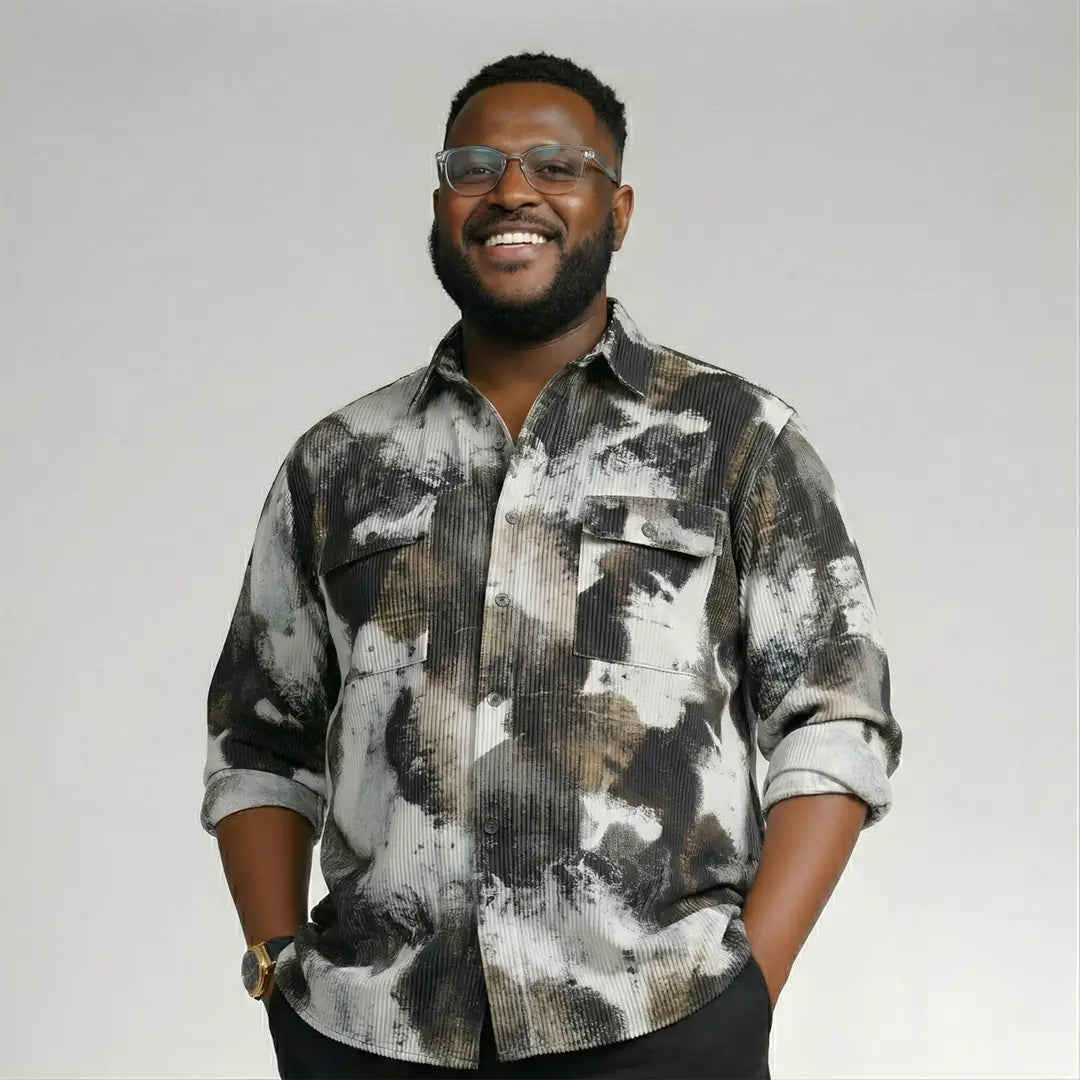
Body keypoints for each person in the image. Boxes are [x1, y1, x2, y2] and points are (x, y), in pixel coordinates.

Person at [201, 51, 902, 1080]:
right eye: (476, 166)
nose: (512, 191)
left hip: (658, 1026)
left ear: (617, 208)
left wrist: (753, 984)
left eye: (554, 166)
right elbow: (259, 739)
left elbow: (837, 719)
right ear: (443, 205)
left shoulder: (737, 440)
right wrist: (274, 969)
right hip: (373, 1035)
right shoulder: (339, 460)